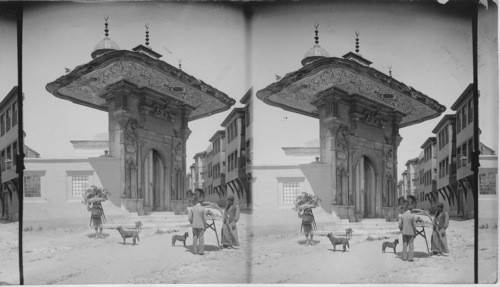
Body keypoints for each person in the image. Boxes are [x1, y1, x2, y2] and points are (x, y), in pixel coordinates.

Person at [398, 195, 417, 261]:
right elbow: (414, 225)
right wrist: (415, 232)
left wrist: (401, 229)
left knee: (404, 244)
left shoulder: (402, 215)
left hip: (404, 232)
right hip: (411, 233)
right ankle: (410, 258)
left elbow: (399, 224)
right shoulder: (412, 216)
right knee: (411, 245)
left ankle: (404, 258)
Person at [188, 189, 207, 255]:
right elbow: (204, 219)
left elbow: (189, 217)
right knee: (201, 238)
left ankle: (195, 251)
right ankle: (200, 251)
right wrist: (205, 226)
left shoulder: (192, 208)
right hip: (201, 226)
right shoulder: (202, 209)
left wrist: (191, 222)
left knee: (195, 238)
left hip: (194, 225)